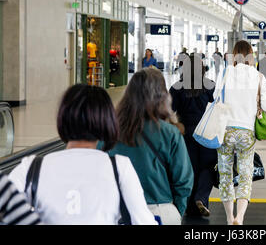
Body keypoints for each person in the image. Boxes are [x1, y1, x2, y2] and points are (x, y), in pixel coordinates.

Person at [9, 84, 158, 225]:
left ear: (63, 118)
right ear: (107, 121)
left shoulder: (32, 168)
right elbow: (143, 220)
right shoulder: (119, 167)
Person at [105, 69, 194, 225]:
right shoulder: (170, 133)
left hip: (120, 212)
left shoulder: (110, 132)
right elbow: (184, 181)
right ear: (162, 96)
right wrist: (175, 211)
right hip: (160, 210)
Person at [215, 40, 266, 225]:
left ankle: (228, 216)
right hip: (246, 132)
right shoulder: (259, 77)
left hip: (225, 131)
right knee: (246, 175)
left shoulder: (225, 73)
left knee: (225, 174)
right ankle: (240, 217)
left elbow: (216, 98)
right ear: (251, 55)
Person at [169, 54, 217, 218]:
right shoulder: (210, 86)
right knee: (208, 166)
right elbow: (218, 108)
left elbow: (169, 111)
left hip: (186, 133)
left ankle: (189, 206)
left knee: (190, 169)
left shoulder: (177, 87)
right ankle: (201, 198)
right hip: (207, 132)